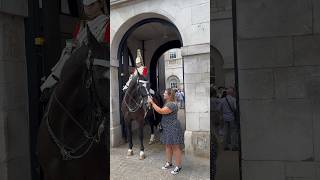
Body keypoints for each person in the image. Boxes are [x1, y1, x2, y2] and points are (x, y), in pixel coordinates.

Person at [40, 0, 109, 100]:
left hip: (96, 61)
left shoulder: (107, 24)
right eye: (85, 6)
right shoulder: (81, 24)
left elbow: (106, 48)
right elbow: (74, 41)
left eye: (92, 5)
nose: (88, 9)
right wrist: (71, 45)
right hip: (76, 57)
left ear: (101, 4)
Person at [148, 88, 184, 175]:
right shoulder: (167, 103)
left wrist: (152, 103)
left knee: (175, 147)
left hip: (173, 128)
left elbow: (161, 111)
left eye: (165, 93)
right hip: (167, 127)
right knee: (168, 146)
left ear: (169, 95)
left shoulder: (171, 104)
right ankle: (169, 162)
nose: (163, 94)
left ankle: (178, 166)